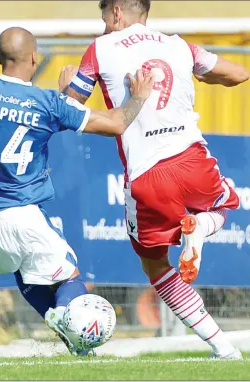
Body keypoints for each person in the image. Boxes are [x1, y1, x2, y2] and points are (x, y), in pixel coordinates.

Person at [0, 5, 153, 356]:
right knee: (68, 276)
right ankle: (72, 324)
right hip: (20, 217)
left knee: (27, 270)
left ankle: (56, 318)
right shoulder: (47, 103)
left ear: (0, 58)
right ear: (34, 58)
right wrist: (138, 96)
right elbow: (115, 123)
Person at [60, 0, 249, 359]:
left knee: (155, 265)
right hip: (192, 157)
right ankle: (203, 226)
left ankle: (222, 347)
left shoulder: (100, 49)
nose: (103, 26)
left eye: (104, 17)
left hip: (147, 175)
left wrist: (65, 87)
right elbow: (238, 73)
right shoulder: (180, 46)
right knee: (224, 202)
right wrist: (202, 74)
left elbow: (68, 111)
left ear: (116, 12)